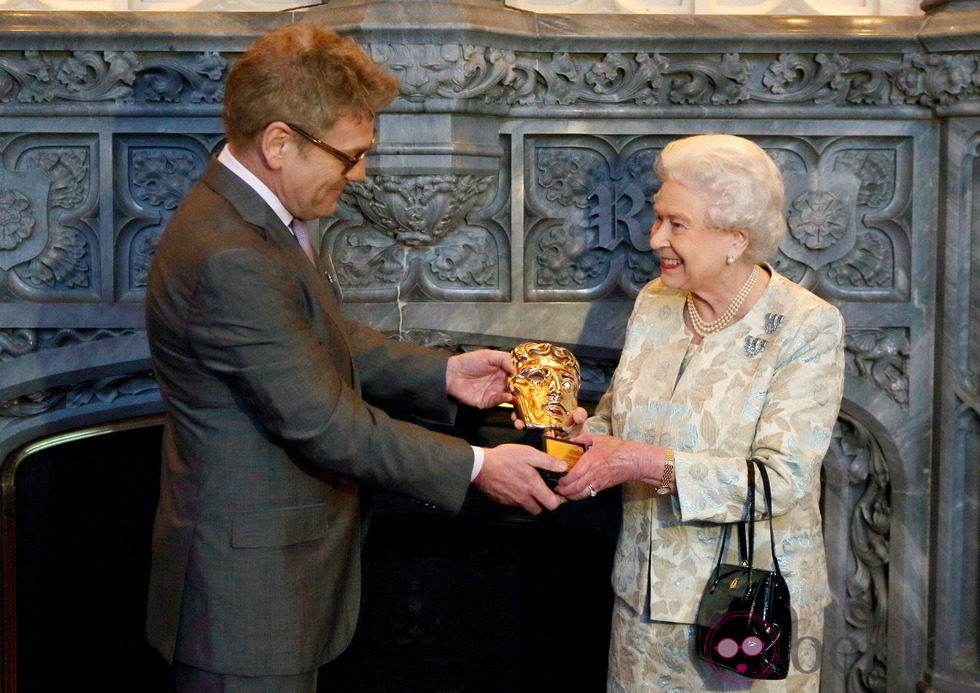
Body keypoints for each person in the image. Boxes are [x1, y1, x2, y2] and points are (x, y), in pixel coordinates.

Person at [143, 23, 565, 692]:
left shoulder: (250, 222)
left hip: (267, 582)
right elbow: (325, 425)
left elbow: (318, 338)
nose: (361, 172)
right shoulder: (231, 255)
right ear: (280, 143)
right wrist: (478, 464)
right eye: (349, 155)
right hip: (246, 602)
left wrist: (444, 373)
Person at [555, 134, 845, 690]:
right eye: (658, 218)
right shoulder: (655, 303)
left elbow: (781, 479)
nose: (654, 237)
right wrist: (577, 433)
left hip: (745, 612)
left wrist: (640, 463)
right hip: (641, 608)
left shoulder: (807, 326)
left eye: (676, 224)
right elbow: (619, 421)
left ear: (736, 237)